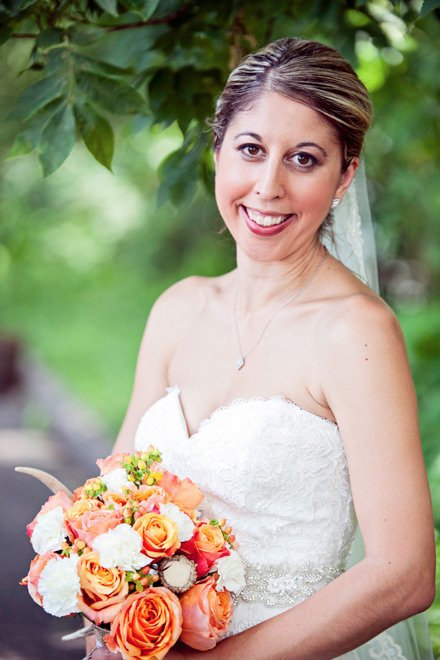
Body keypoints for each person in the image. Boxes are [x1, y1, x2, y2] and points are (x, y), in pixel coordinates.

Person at [112, 38, 435, 658]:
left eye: (303, 160)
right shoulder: (177, 309)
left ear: (345, 176)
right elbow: (114, 500)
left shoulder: (355, 332)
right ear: (217, 152)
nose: (268, 186)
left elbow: (404, 575)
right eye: (251, 150)